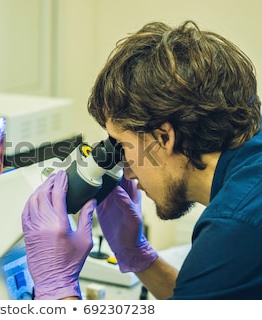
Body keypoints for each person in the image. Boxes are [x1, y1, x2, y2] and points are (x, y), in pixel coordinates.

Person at [21, 20, 262, 300]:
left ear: (163, 137)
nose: (128, 171)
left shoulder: (234, 229)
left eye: (124, 147)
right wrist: (137, 255)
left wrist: (57, 289)